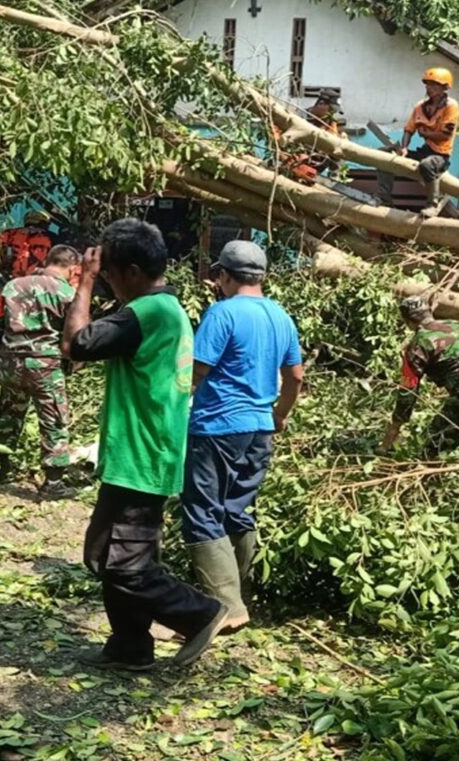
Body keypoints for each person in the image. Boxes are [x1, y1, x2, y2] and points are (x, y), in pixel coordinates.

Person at [62, 218, 226, 671]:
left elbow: (76, 344)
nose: (108, 282)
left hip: (141, 456)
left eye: (110, 273)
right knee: (105, 553)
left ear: (131, 271)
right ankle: (129, 648)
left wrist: (85, 281)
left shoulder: (147, 312)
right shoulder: (166, 309)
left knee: (123, 564)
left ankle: (201, 613)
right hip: (146, 453)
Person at [180, 241, 304, 633]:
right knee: (237, 510)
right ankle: (241, 595)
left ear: (225, 276)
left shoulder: (222, 313)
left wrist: (173, 406)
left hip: (218, 426)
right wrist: (280, 415)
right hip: (260, 427)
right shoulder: (281, 316)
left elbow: (196, 371)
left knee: (202, 511)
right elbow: (296, 377)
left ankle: (227, 608)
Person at [0, 244, 79, 498]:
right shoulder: (67, 293)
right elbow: (74, 334)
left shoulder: (12, 286)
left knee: (8, 412)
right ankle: (53, 483)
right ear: (72, 267)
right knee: (53, 418)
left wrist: (9, 348)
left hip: (11, 361)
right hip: (45, 363)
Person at [378, 295, 459, 455]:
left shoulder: (417, 345)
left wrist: (394, 429)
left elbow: (408, 391)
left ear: (408, 322)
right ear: (429, 312)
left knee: (435, 445)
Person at [377, 67, 459, 213]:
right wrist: (404, 148)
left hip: (440, 155)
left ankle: (432, 205)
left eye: (434, 85)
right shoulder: (420, 106)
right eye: (428, 84)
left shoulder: (451, 106)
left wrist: (425, 134)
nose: (430, 88)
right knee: (384, 154)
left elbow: (445, 135)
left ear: (444, 88)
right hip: (425, 151)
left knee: (427, 165)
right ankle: (384, 198)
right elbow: (409, 130)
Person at [0, 209, 54, 281]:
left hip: (5, 277)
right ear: (44, 223)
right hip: (34, 282)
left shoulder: (10, 233)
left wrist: (9, 256)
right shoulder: (51, 238)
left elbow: (1, 249)